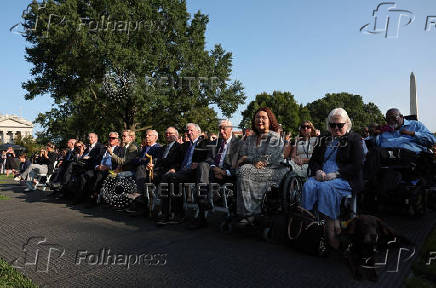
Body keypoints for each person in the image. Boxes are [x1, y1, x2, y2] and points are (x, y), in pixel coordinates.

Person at [302, 108, 364, 249]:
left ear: (347, 124)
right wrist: (317, 170)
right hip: (322, 175)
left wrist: (336, 174)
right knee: (308, 185)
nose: (336, 128)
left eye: (339, 125)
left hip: (345, 177)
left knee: (325, 188)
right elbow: (314, 161)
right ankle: (311, 224)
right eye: (332, 125)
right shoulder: (323, 139)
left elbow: (357, 164)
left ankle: (330, 231)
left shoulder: (355, 139)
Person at [236, 107, 287, 225]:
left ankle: (250, 214)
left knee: (245, 170)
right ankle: (242, 211)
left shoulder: (274, 137)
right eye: (257, 117)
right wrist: (250, 160)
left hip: (274, 170)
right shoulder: (250, 138)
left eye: (263, 117)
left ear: (270, 120)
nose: (260, 120)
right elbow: (241, 156)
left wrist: (247, 159)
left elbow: (268, 159)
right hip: (254, 169)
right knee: (242, 170)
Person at [189, 119, 241, 229]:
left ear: (231, 129)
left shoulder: (239, 144)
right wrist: (214, 168)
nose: (222, 131)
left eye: (224, 128)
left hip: (228, 176)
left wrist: (225, 172)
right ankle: (203, 204)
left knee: (203, 176)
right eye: (220, 129)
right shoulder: (214, 143)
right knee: (203, 165)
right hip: (213, 173)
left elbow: (240, 164)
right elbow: (209, 159)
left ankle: (203, 207)